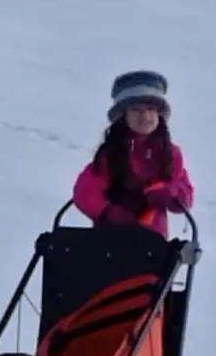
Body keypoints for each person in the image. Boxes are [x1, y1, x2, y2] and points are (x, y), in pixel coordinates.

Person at [71, 69, 194, 236]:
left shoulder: (169, 155)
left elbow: (185, 193)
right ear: (123, 116)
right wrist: (108, 212)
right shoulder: (112, 153)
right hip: (110, 242)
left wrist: (170, 193)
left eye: (151, 109)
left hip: (153, 245)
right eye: (136, 110)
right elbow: (85, 191)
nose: (145, 117)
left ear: (160, 115)